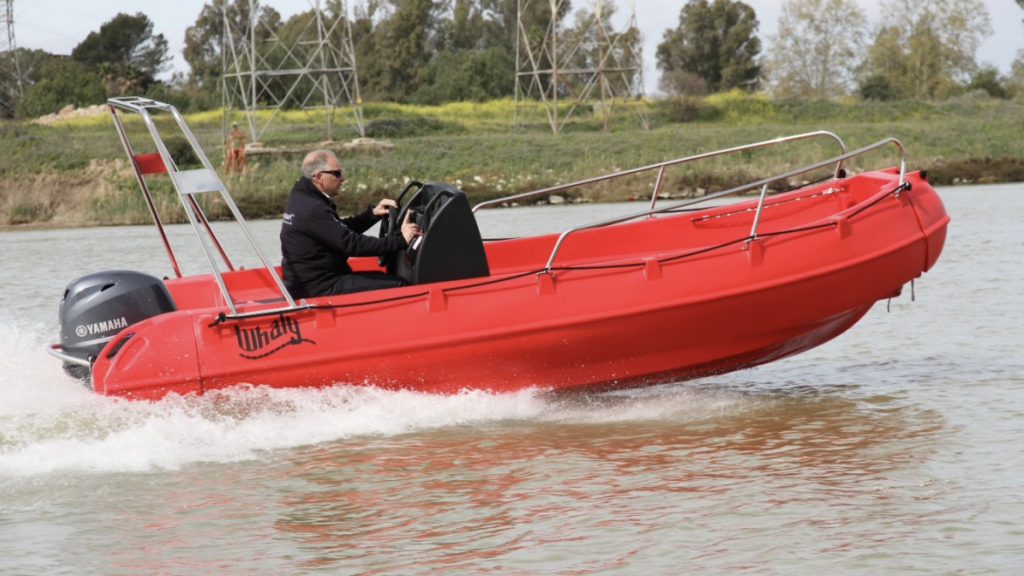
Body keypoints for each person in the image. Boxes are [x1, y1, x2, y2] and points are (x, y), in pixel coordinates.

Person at [280, 149, 419, 298]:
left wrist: (371, 215)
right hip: (319, 286)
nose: (343, 178)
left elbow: (335, 230)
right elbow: (352, 244)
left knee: (380, 276)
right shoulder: (313, 209)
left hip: (309, 281)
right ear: (319, 177)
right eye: (337, 173)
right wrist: (401, 240)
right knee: (400, 285)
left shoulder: (301, 195)